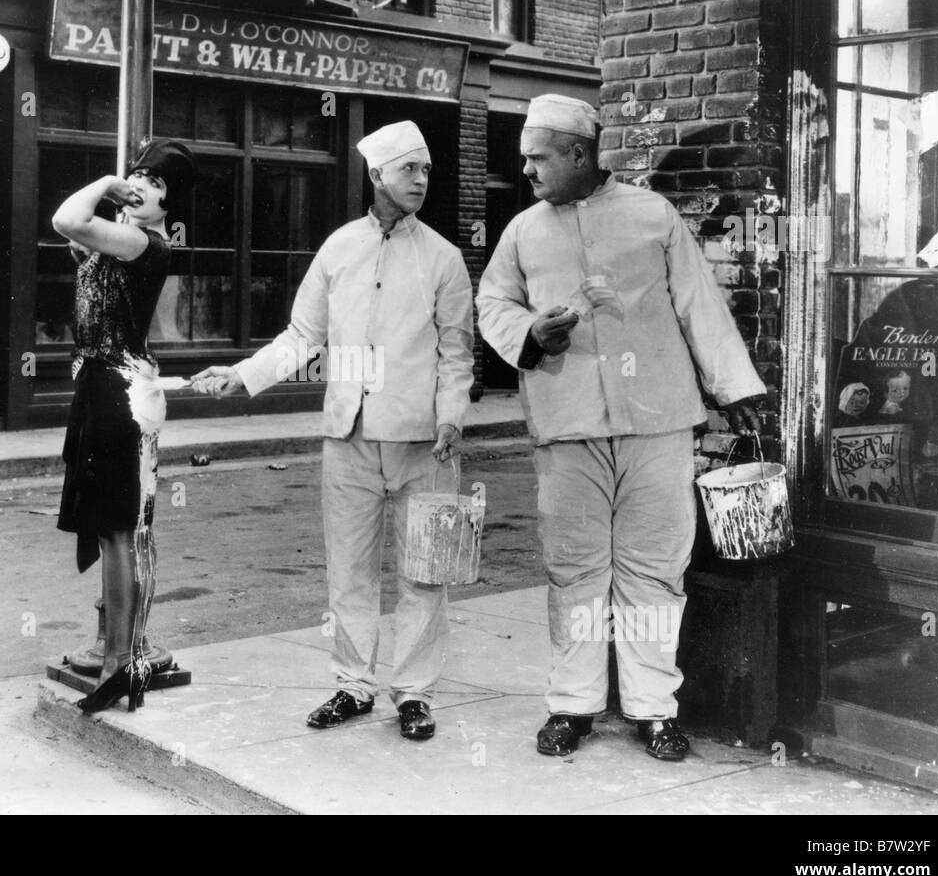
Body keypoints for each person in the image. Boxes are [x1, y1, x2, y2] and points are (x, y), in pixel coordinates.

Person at [476, 94, 765, 762]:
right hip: (567, 419)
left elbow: (699, 301)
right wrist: (528, 331)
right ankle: (572, 704)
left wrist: (736, 385)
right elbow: (492, 300)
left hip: (658, 420)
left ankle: (653, 707)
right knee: (574, 568)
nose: (526, 170)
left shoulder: (651, 215)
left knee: (655, 568)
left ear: (579, 153)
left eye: (537, 157)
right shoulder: (523, 231)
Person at [191, 121, 474, 741]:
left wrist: (452, 415)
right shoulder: (339, 249)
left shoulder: (445, 259)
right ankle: (353, 685)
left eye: (426, 171)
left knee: (427, 570)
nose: (421, 181)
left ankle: (416, 694)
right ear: (377, 175)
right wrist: (242, 375)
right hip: (347, 438)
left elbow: (457, 353)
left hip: (424, 442)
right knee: (349, 570)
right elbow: (302, 337)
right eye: (408, 170)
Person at [51, 138, 196, 715]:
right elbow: (73, 230)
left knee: (121, 529)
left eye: (157, 184)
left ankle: (120, 660)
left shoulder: (143, 243)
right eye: (140, 175)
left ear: (171, 206)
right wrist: (115, 190)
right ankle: (116, 653)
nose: (143, 187)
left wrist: (110, 184)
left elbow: (66, 217)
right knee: (111, 528)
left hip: (122, 391)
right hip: (99, 387)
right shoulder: (115, 238)